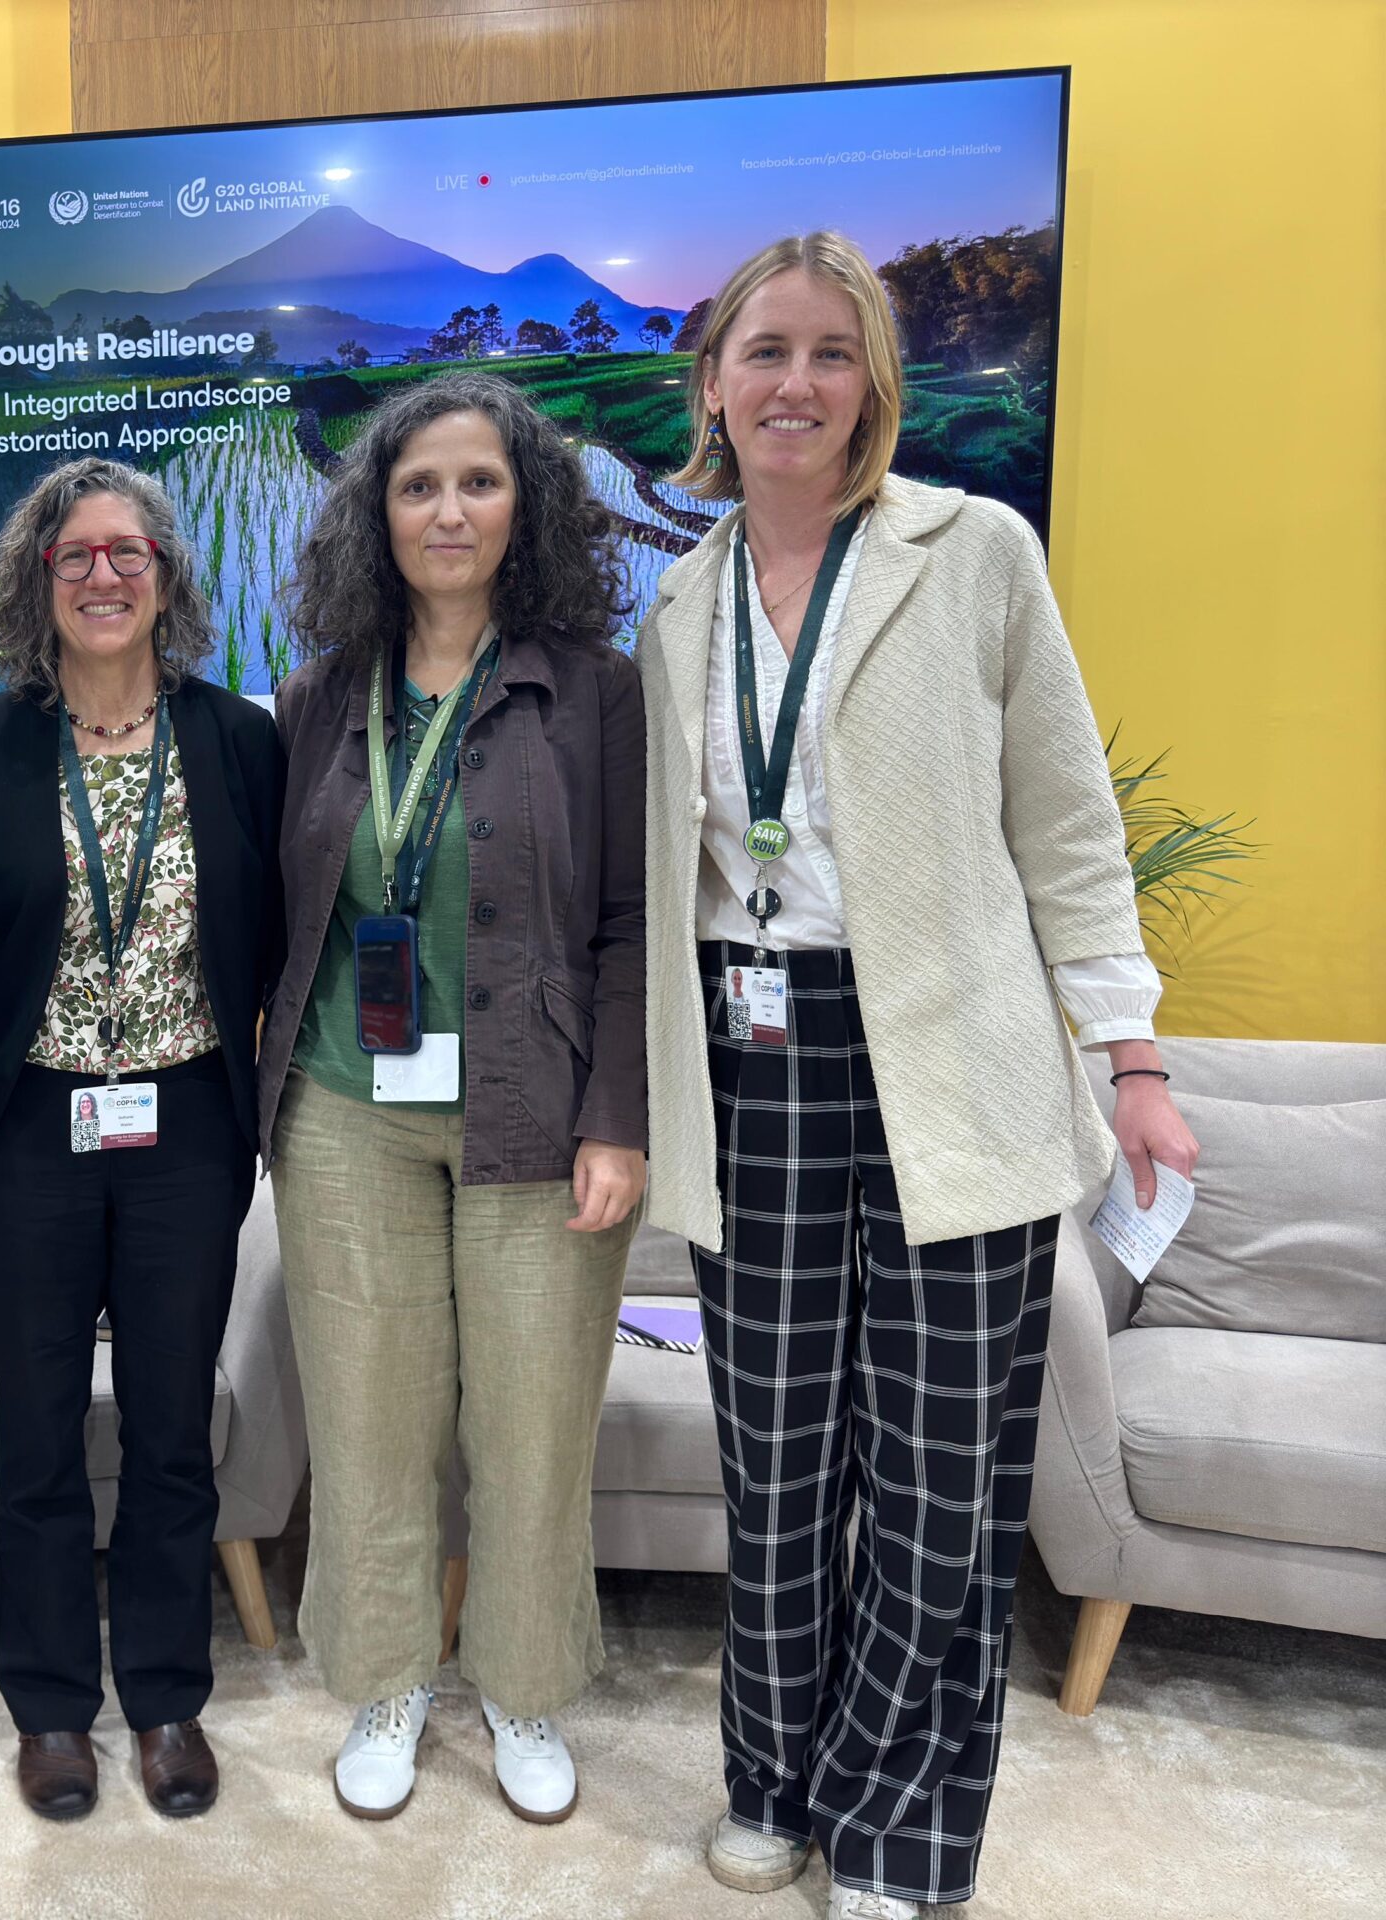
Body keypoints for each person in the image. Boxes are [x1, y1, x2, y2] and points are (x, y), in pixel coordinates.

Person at [634, 233, 1198, 1920]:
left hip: (949, 1057)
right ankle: (772, 1777)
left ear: (871, 381)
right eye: (761, 353)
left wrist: (1138, 1058)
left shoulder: (974, 555)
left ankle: (900, 1828)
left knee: (943, 1476)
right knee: (779, 1457)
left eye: (827, 352)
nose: (791, 384)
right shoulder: (673, 597)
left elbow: (1068, 828)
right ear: (713, 388)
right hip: (752, 1065)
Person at [260, 372, 648, 1826]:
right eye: (418, 484)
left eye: (479, 482)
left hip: (542, 1119)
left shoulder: (596, 690)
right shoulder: (316, 693)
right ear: (377, 509)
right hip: (345, 1114)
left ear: (527, 504)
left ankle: (525, 1691)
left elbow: (628, 925)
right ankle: (385, 1678)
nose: (449, 509)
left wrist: (620, 1115)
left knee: (536, 1426)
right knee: (368, 1420)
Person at [0, 458, 282, 1822]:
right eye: (73, 556)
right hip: (29, 1130)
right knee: (33, 1430)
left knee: (169, 1427)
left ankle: (167, 1694)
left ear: (166, 576)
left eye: (126, 552)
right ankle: (50, 1708)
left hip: (188, 1123)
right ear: (36, 579)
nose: (101, 575)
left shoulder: (238, 738)